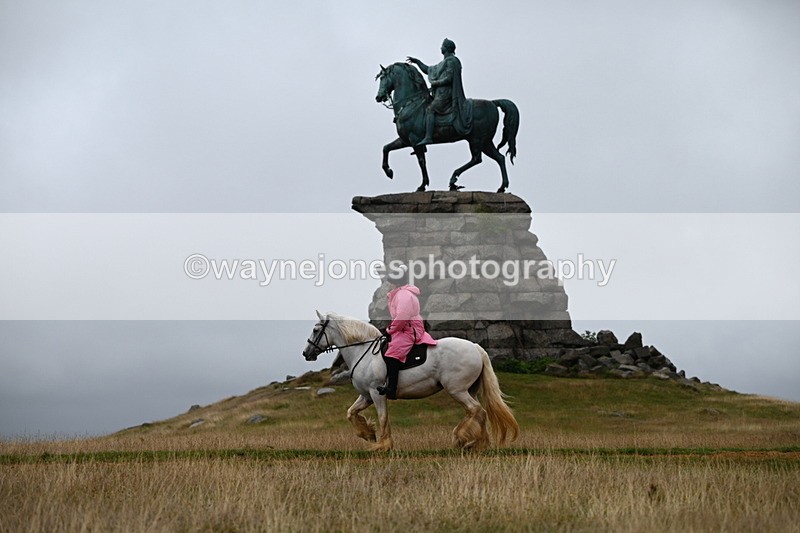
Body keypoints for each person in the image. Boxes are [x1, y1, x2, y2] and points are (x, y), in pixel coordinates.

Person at [377, 266, 437, 399]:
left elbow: (402, 317)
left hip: (409, 330)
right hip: (405, 328)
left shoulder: (403, 295)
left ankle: (392, 389)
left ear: (396, 282)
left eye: (391, 282)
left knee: (392, 354)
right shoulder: (400, 293)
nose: (389, 285)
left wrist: (389, 330)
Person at [407, 38, 473, 146]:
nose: (440, 48)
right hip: (440, 93)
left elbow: (449, 78)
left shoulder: (452, 61)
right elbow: (428, 70)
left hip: (446, 94)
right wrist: (417, 62)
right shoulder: (442, 63)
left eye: (442, 46)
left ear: (447, 48)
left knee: (430, 109)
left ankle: (428, 137)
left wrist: (436, 83)